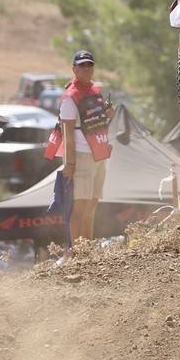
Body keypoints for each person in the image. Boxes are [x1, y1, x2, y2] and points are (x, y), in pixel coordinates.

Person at [45, 50, 115, 257]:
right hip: (82, 156)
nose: (86, 69)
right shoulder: (70, 96)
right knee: (80, 207)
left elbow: (96, 121)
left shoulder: (94, 90)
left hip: (99, 153)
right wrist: (70, 164)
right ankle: (79, 253)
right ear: (74, 69)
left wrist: (107, 114)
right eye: (82, 65)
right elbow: (67, 133)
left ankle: (88, 250)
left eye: (89, 65)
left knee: (92, 204)